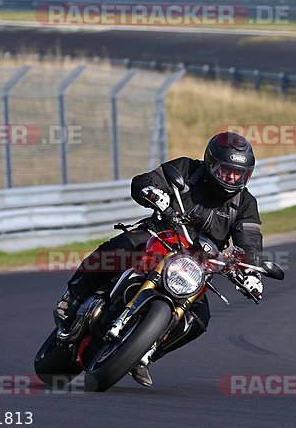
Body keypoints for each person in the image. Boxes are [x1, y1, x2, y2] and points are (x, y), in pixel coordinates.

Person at [54, 132, 264, 387]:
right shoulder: (187, 170)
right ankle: (73, 295)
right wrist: (152, 192)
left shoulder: (245, 204)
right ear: (210, 164)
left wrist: (250, 273)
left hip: (195, 265)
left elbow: (249, 242)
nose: (231, 178)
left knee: (200, 319)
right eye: (226, 171)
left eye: (238, 174)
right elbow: (144, 181)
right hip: (158, 236)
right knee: (118, 248)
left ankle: (145, 353)